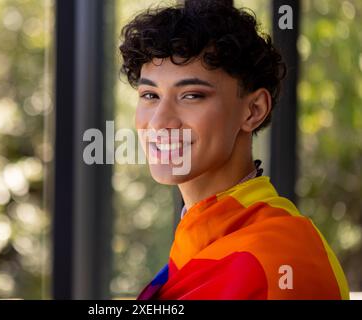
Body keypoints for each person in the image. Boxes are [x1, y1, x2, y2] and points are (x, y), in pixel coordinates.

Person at [118, 0, 349, 299]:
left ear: (253, 110)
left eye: (191, 95)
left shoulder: (277, 259)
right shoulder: (202, 237)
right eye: (150, 95)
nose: (160, 122)